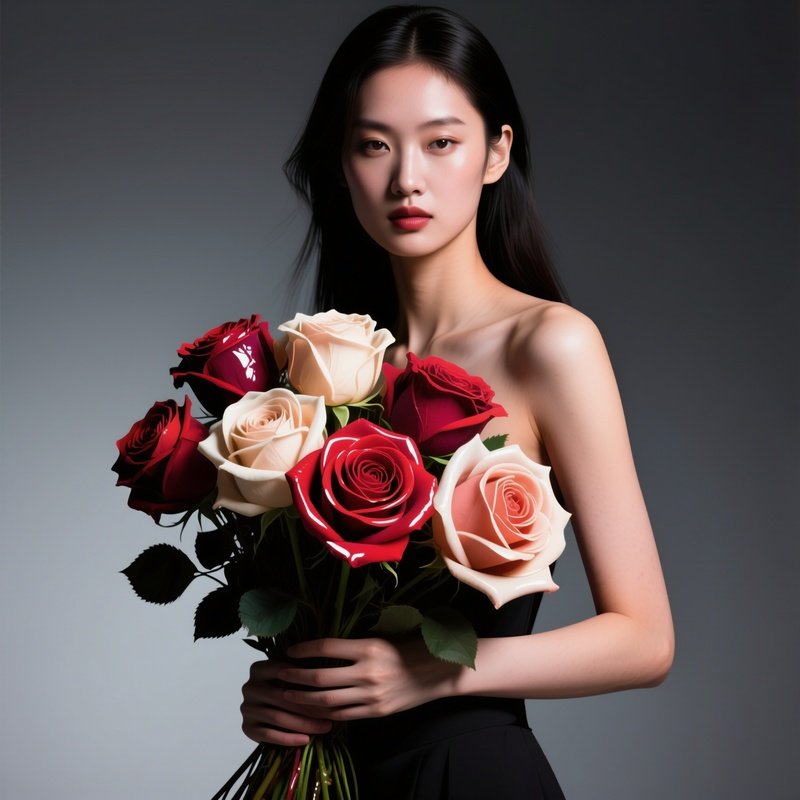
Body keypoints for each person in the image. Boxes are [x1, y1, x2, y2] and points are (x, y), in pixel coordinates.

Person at [240, 5, 674, 797]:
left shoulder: (549, 345)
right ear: (342, 163)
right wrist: (282, 692)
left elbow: (645, 640)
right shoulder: (323, 368)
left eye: (441, 142)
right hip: (333, 778)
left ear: (496, 152)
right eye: (374, 145)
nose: (407, 178)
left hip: (467, 774)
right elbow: (323, 616)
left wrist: (435, 673)